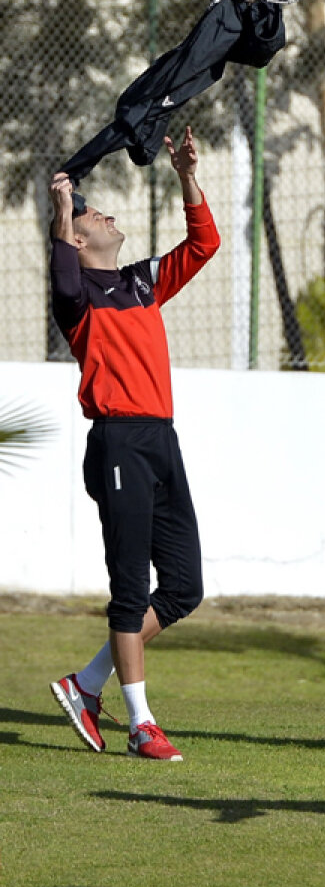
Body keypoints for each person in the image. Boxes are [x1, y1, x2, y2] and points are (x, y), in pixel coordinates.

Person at [47, 126, 220, 762]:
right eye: (93, 215)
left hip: (160, 439)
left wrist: (186, 176)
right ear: (77, 240)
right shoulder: (77, 299)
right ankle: (141, 725)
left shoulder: (141, 282)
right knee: (128, 587)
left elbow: (204, 244)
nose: (106, 214)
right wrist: (62, 211)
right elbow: (63, 278)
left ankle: (87, 683)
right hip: (117, 442)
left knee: (182, 587)